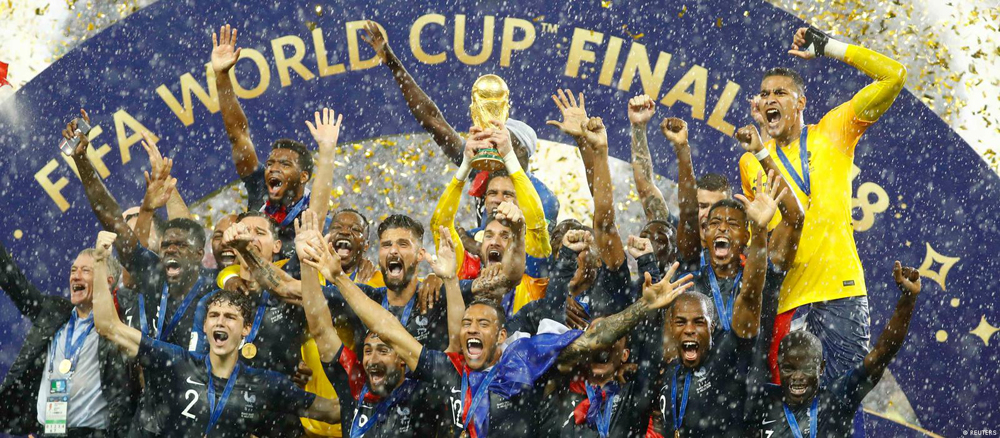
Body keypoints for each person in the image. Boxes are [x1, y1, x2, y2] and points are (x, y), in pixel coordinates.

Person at [738, 26, 907, 384]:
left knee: (840, 407)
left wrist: (830, 47)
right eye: (765, 94)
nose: (771, 99)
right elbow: (775, 236)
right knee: (793, 415)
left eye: (781, 93)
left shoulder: (834, 131)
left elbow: (894, 76)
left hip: (840, 294)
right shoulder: (751, 163)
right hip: (787, 302)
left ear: (800, 102)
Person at [87, 231, 341, 437]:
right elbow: (108, 325)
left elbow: (333, 412)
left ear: (246, 329)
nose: (221, 322)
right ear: (205, 326)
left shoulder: (265, 384)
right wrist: (99, 263)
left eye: (230, 317)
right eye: (214, 316)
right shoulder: (176, 362)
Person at [359, 20, 559, 229]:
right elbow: (433, 121)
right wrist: (391, 61)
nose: (495, 148)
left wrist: (471, 242)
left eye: (503, 141)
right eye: (492, 141)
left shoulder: (544, 198)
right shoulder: (483, 171)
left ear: (522, 152)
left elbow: (535, 252)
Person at [296, 209, 456, 437]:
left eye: (383, 350)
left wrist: (447, 279)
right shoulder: (354, 385)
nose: (372, 358)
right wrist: (307, 262)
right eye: (368, 350)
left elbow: (453, 348)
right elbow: (320, 328)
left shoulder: (423, 394)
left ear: (402, 358)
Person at [656, 156, 783, 437]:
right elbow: (688, 214)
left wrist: (761, 231)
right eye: (715, 222)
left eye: (732, 223)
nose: (723, 228)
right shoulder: (688, 283)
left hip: (748, 397)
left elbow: (750, 295)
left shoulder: (758, 281)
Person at [747, 262, 922, 437]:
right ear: (778, 366)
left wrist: (908, 299)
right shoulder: (761, 400)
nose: (797, 377)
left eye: (807, 368)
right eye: (789, 368)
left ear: (821, 368)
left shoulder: (836, 398)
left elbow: (883, 353)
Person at [212, 25, 341, 261]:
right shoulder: (260, 186)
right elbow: (238, 136)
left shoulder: (314, 217)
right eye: (271, 162)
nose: (273, 168)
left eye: (284, 164)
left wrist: (327, 150)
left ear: (303, 177)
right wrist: (221, 77)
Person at [0, 239, 137, 437]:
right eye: (73, 270)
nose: (75, 276)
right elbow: (15, 284)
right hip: (48, 432)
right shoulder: (54, 314)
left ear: (107, 281)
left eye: (85, 271)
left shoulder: (120, 324)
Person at [533, 234, 665, 437]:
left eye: (613, 338)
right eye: (596, 335)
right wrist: (567, 257)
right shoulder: (559, 390)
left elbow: (652, 344)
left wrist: (648, 264)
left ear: (625, 354)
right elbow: (549, 328)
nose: (604, 342)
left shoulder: (633, 397)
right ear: (584, 347)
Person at [430, 123, 551, 313]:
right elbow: (440, 225)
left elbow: (537, 225)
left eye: (505, 236)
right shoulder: (467, 260)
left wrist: (510, 157)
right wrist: (466, 165)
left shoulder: (533, 251)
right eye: (492, 193)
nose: (498, 200)